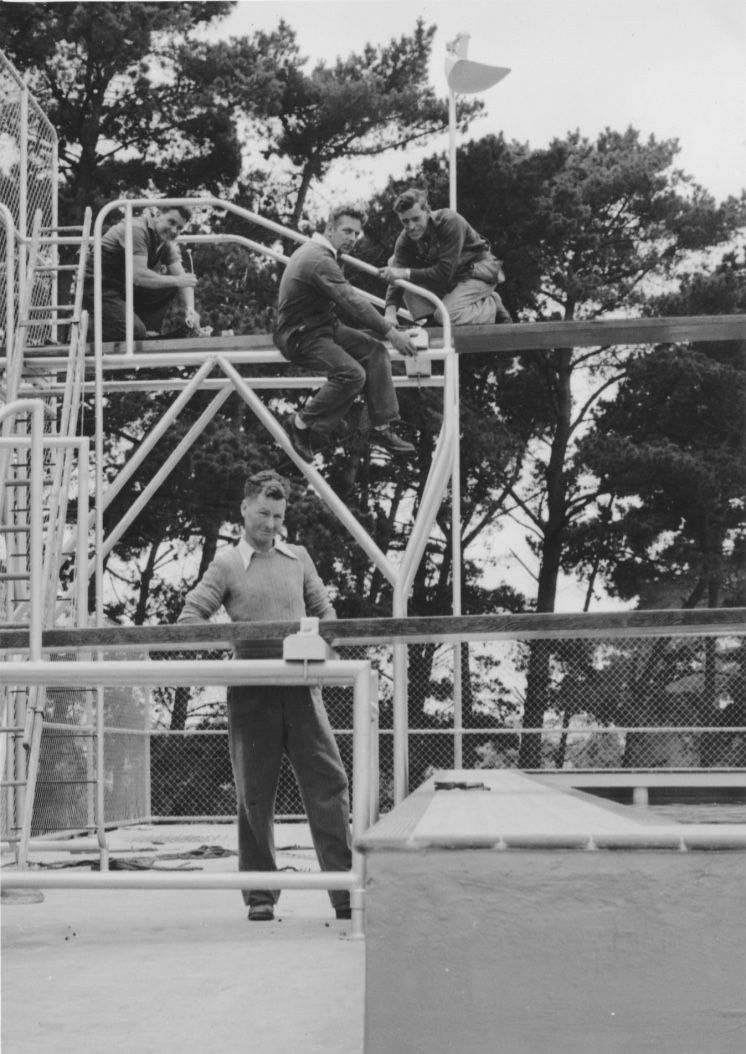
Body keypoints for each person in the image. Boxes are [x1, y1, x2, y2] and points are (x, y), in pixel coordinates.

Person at [177, 469, 352, 922]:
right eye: (262, 514)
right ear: (244, 509)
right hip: (251, 692)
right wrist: (230, 643)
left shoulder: (299, 559)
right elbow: (190, 616)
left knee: (329, 782)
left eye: (277, 516)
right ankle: (260, 895)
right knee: (254, 795)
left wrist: (325, 645)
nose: (270, 524)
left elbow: (325, 612)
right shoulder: (227, 564)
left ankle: (345, 889)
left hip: (301, 686)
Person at [274, 204, 419, 462]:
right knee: (352, 375)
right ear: (330, 228)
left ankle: (381, 427)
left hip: (323, 326)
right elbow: (350, 300)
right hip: (300, 335)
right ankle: (300, 423)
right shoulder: (317, 258)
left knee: (375, 351)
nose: (352, 239)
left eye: (356, 234)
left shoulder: (324, 253)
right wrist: (391, 331)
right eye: (347, 231)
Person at [380, 187, 512, 327]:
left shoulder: (450, 221)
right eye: (405, 221)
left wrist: (405, 273)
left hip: (477, 274)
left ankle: (492, 305)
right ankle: (432, 318)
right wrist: (390, 313)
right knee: (394, 262)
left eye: (416, 219)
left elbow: (444, 271)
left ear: (427, 211)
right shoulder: (405, 238)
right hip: (452, 279)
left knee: (445, 317)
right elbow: (396, 275)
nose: (411, 226)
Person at [84, 199, 205, 342]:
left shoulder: (163, 244)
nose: (174, 231)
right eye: (171, 222)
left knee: (173, 285)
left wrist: (190, 310)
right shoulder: (137, 230)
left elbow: (182, 278)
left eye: (179, 228)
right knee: (135, 332)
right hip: (98, 288)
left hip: (121, 289)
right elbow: (139, 276)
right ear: (158, 214)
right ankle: (85, 329)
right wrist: (178, 280)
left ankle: (143, 329)